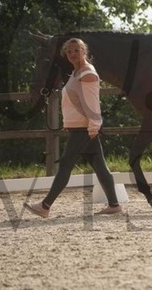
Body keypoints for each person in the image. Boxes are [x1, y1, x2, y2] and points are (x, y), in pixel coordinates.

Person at [24, 38, 122, 218]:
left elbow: (92, 103)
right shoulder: (76, 72)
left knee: (65, 166)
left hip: (85, 129)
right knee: (100, 167)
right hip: (79, 127)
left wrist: (94, 126)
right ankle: (114, 204)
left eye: (76, 50)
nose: (72, 54)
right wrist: (68, 123)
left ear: (84, 51)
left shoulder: (87, 73)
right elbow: (75, 100)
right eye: (69, 51)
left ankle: (45, 206)